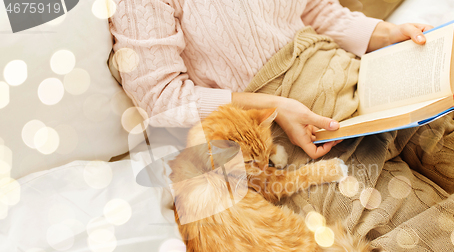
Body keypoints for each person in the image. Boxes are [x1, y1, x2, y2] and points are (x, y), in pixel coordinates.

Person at [109, 0, 432, 159]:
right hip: (280, 140)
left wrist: (388, 34)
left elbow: (315, 11)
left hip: (353, 83)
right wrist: (274, 108)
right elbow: (161, 97)